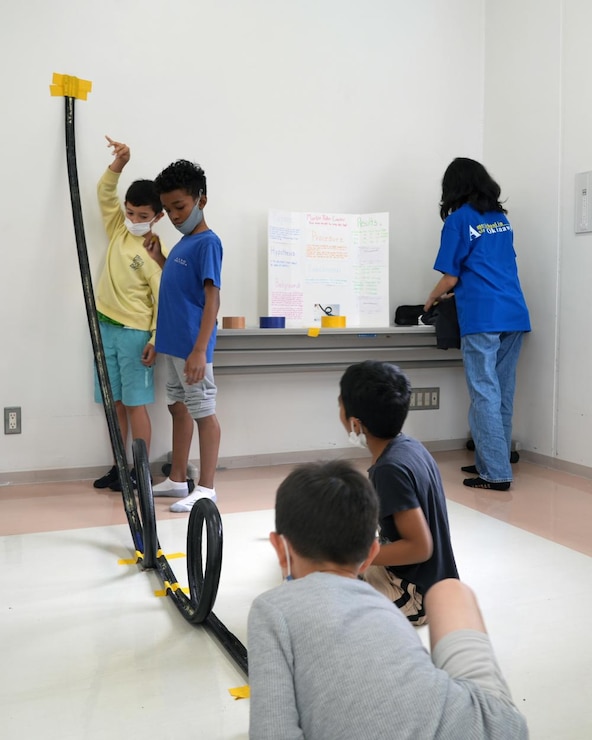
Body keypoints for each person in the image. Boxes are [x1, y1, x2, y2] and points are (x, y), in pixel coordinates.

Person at [247, 459, 529, 740]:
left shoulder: (271, 609)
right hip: (488, 729)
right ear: (371, 553)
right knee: (451, 591)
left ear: (279, 547)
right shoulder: (384, 605)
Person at [424, 157, 531, 491]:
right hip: (514, 312)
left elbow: (451, 276)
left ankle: (496, 473)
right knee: (501, 391)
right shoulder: (501, 220)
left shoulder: (459, 221)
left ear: (453, 187)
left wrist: (430, 299)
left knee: (484, 391)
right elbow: (492, 267)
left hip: (483, 316)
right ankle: (490, 459)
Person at [339, 360, 458, 624]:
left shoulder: (389, 469)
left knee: (321, 591)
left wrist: (356, 558)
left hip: (415, 593)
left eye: (340, 404)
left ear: (356, 424)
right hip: (429, 580)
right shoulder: (408, 446)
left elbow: (420, 547)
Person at [143, 160, 222, 513]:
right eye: (169, 209)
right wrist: (160, 257)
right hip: (173, 346)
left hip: (192, 347)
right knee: (178, 408)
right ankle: (177, 478)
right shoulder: (182, 244)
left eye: (180, 207)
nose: (174, 216)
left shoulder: (207, 243)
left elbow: (211, 299)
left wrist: (200, 350)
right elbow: (179, 287)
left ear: (201, 200)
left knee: (203, 412)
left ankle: (206, 487)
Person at [93, 136, 164, 492]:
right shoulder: (118, 230)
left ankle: (140, 471)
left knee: (135, 404)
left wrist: (153, 339)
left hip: (135, 334)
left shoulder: (153, 252)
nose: (134, 219)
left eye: (143, 216)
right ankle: (120, 467)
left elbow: (161, 303)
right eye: (131, 212)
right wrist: (120, 162)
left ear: (157, 216)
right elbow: (104, 193)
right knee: (115, 403)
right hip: (103, 328)